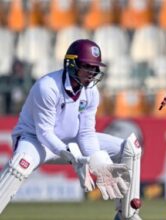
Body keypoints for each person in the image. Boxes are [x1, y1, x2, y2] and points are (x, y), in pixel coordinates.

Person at [0, 39, 142, 220]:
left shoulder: (91, 92)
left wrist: (96, 159)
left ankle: (127, 214)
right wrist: (72, 156)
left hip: (72, 141)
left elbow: (85, 133)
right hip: (35, 140)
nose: (92, 73)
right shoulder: (48, 87)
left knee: (130, 149)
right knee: (19, 165)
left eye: (95, 68)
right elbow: (45, 133)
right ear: (72, 64)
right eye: (87, 67)